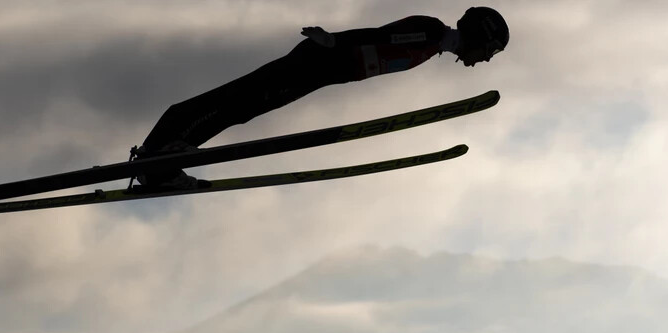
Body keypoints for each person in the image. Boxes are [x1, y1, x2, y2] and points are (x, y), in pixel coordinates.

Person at [135, 6, 509, 189]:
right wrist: (334, 41)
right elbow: (376, 35)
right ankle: (165, 154)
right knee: (241, 101)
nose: (485, 59)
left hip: (324, 68)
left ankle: (162, 156)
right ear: (480, 36)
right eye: (490, 50)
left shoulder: (432, 44)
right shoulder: (429, 34)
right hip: (321, 61)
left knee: (244, 104)